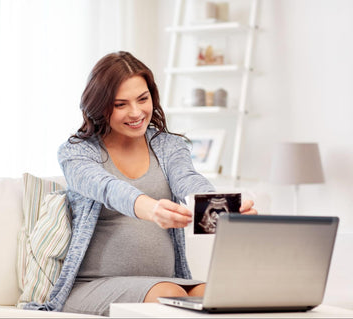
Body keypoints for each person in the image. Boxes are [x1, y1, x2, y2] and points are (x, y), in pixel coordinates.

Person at [24, 51, 257, 316]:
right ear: (100, 106)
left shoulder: (168, 145)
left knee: (218, 293)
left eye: (142, 99)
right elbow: (107, 187)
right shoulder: (76, 152)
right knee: (168, 295)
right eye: (120, 104)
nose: (136, 112)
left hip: (166, 282)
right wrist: (150, 208)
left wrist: (224, 209)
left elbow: (188, 180)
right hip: (92, 285)